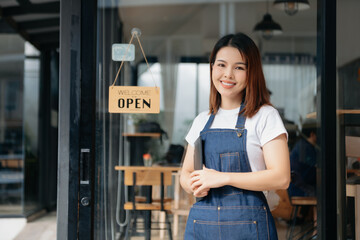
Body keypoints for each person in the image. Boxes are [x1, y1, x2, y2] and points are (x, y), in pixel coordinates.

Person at [180, 32, 290, 239]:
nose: (228, 74)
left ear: (251, 73)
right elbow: (185, 174)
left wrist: (222, 178)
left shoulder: (265, 116)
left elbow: (281, 177)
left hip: (249, 228)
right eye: (221, 65)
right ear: (212, 67)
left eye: (239, 67)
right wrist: (193, 184)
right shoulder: (201, 120)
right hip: (203, 227)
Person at [288, 122, 317, 197]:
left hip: (297, 187)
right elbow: (311, 172)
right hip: (300, 190)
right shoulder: (305, 147)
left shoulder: (302, 145)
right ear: (312, 134)